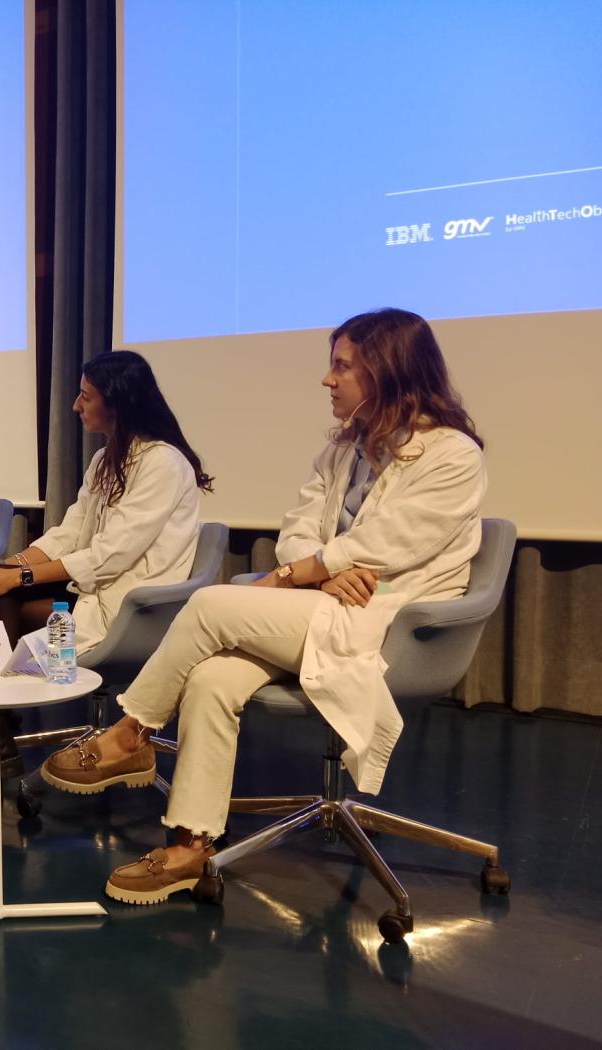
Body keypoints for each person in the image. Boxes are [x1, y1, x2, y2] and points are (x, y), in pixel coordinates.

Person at [40, 308, 487, 906]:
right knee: (211, 678)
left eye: (342, 367)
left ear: (389, 371)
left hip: (388, 623)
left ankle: (131, 731)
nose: (327, 380)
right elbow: (297, 530)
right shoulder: (344, 449)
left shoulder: (453, 455)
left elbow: (391, 544)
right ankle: (191, 845)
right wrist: (314, 571)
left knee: (210, 605)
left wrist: (300, 573)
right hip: (322, 606)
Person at [0, 350, 212, 799]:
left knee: (2, 599)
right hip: (95, 594)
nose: (75, 405)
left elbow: (110, 556)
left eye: (86, 396)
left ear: (117, 402)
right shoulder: (107, 459)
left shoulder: (163, 464)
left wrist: (17, 578)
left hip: (134, 613)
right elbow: (69, 533)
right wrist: (9, 566)